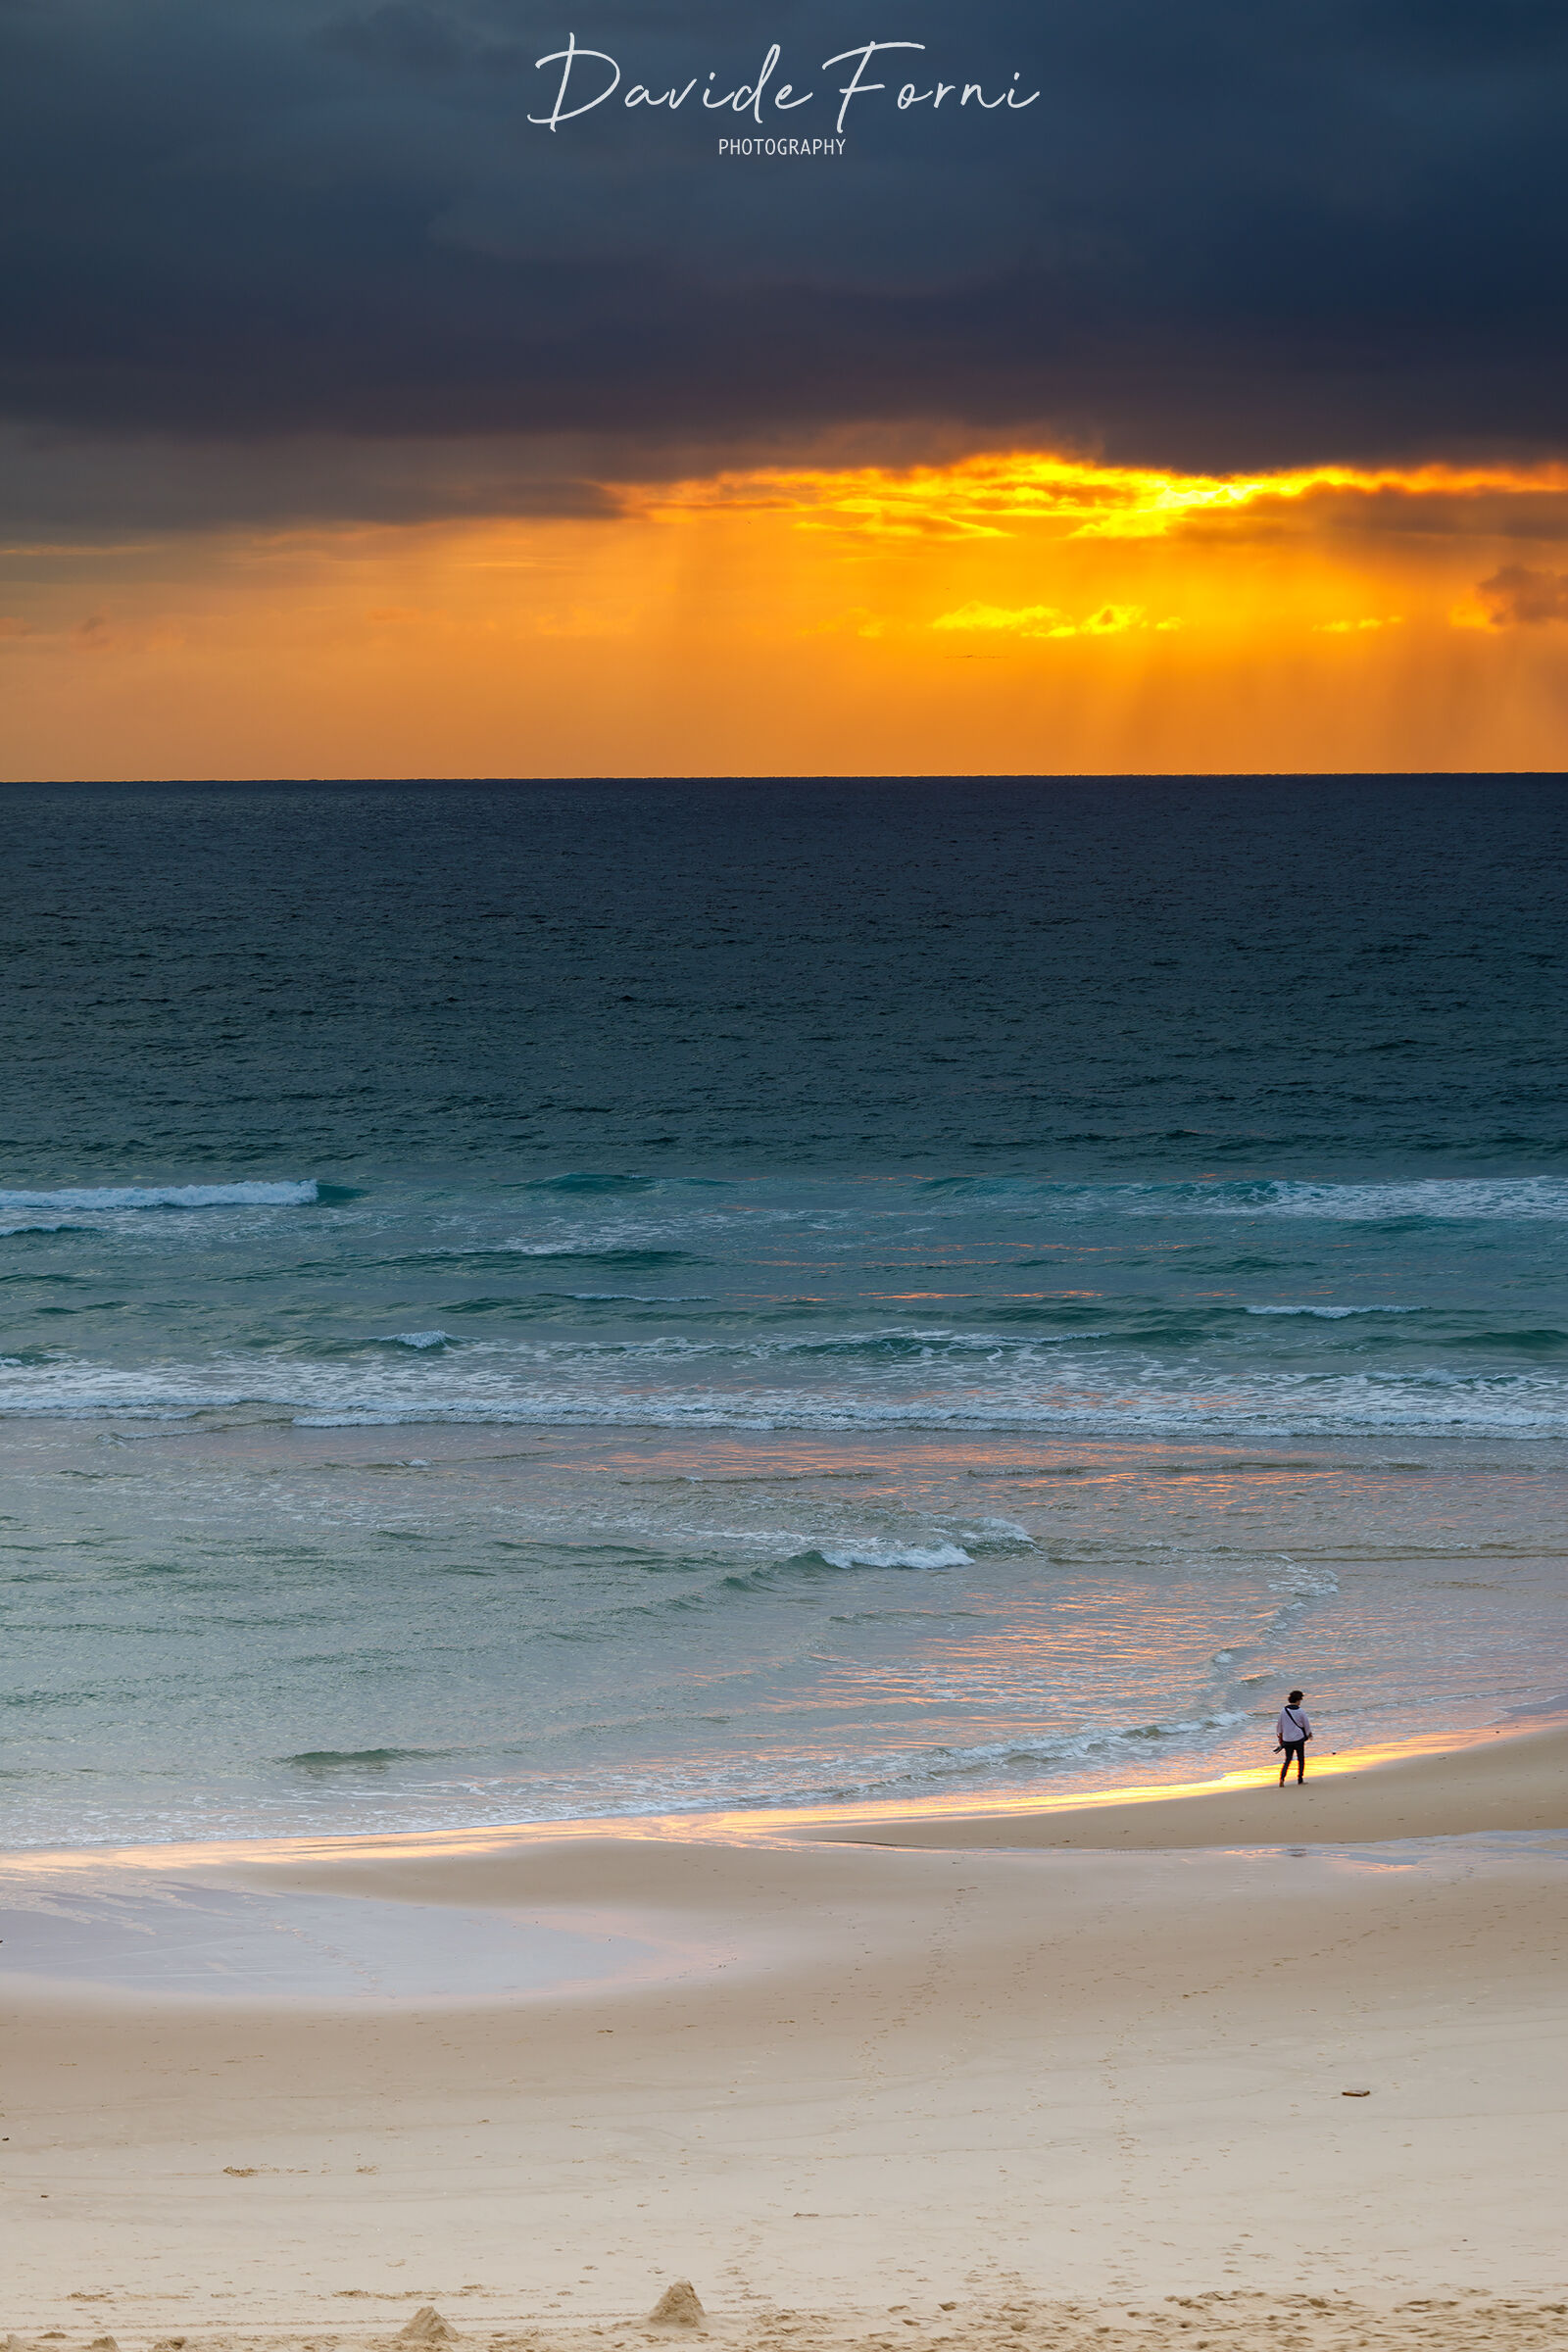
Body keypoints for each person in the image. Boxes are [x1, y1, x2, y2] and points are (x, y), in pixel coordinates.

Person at [1276, 1689, 1312, 1784]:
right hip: (1298, 1738)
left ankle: (1282, 1778)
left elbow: (1279, 1725)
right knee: (1301, 1759)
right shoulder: (1301, 1711)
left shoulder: (1283, 1710)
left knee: (1288, 1760)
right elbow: (1306, 1724)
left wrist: (1280, 1736)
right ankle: (1300, 1779)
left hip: (1287, 1739)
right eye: (1300, 1700)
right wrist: (1309, 1733)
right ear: (1298, 1700)